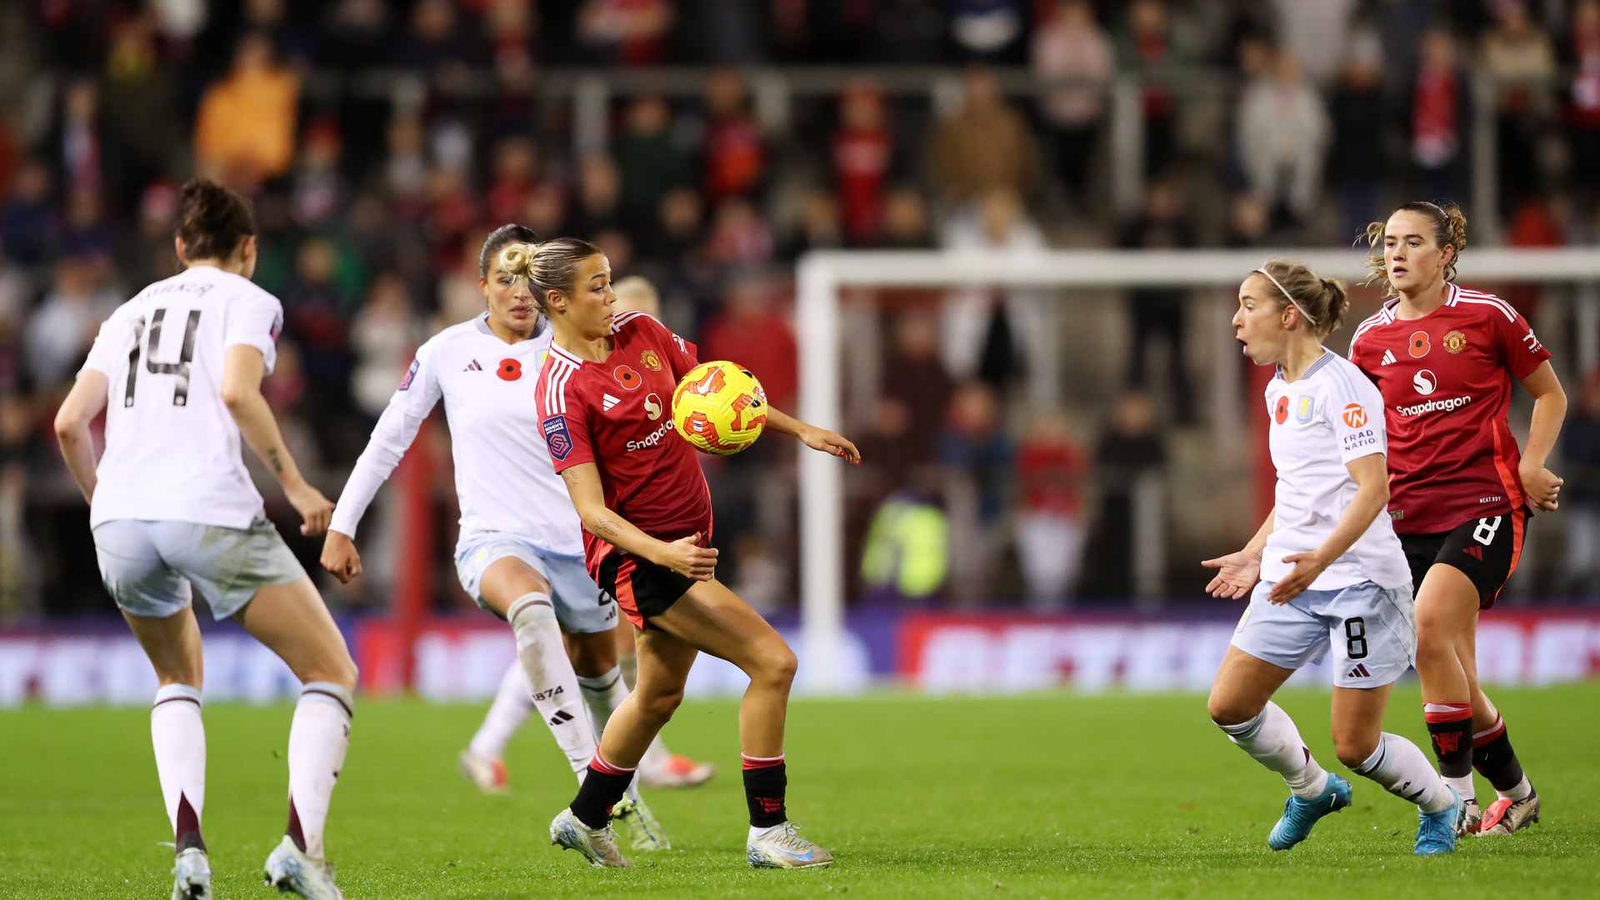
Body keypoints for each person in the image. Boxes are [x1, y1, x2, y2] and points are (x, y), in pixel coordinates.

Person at [318, 225, 670, 849]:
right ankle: (594, 803)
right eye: (503, 279)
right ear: (481, 285)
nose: (517, 292)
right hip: (493, 539)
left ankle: (627, 800)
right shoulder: (445, 353)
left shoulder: (581, 350)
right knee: (531, 612)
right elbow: (389, 439)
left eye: (528, 280)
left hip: (582, 544)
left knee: (602, 675)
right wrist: (343, 524)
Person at [53, 178, 354, 900]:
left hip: (120, 521)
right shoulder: (250, 301)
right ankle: (300, 851)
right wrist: (300, 488)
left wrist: (105, 503)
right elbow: (237, 392)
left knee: (176, 677)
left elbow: (68, 422)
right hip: (207, 510)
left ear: (181, 246)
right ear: (247, 249)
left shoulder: (126, 311)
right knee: (330, 672)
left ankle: (189, 853)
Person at [528, 237, 859, 869]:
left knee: (655, 695)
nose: (610, 296)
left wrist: (800, 430)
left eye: (609, 281)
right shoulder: (559, 391)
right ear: (557, 301)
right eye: (595, 287)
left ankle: (585, 816)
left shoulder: (642, 331)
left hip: (688, 547)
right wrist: (665, 555)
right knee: (774, 663)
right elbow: (592, 512)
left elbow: (720, 395)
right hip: (643, 558)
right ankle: (769, 830)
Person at [1203, 259, 1463, 857]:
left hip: (1360, 583)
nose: (1236, 318)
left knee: (1356, 744)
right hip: (1297, 574)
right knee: (1230, 706)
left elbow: (1374, 490)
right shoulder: (1278, 389)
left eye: (1248, 305)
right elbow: (1299, 490)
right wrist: (1252, 552)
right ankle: (1312, 788)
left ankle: (1441, 807)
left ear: (1288, 316)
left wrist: (1319, 560)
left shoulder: (1342, 388)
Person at [448, 272, 714, 794]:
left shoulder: (643, 362)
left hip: (610, 525)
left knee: (586, 649)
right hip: (585, 529)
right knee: (597, 649)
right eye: (612, 299)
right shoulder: (567, 376)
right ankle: (632, 767)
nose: (623, 316)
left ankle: (488, 746)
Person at [1348, 202, 1565, 836]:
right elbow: (1362, 439)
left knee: (1429, 627)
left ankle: (1456, 799)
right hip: (1406, 516)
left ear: (1445, 254)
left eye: (1413, 242)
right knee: (1451, 669)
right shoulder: (1369, 340)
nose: (1397, 253)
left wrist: (1532, 464)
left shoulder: (1488, 315)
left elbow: (1550, 394)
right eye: (1390, 242)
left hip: (1485, 505)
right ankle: (1518, 795)